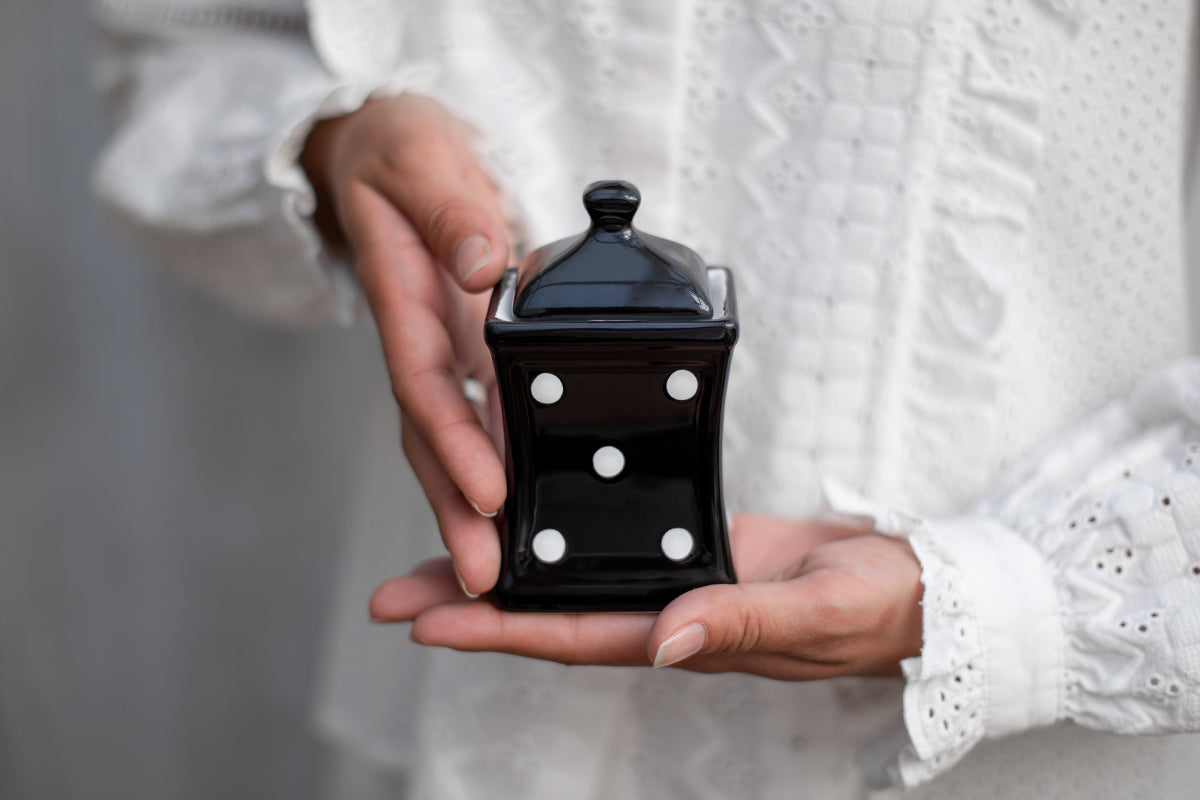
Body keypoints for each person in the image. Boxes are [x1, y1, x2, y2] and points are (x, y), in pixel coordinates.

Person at [92, 0, 1200, 796]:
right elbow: (191, 38)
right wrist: (341, 142)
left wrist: (996, 597)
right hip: (490, 726)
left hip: (1006, 750)